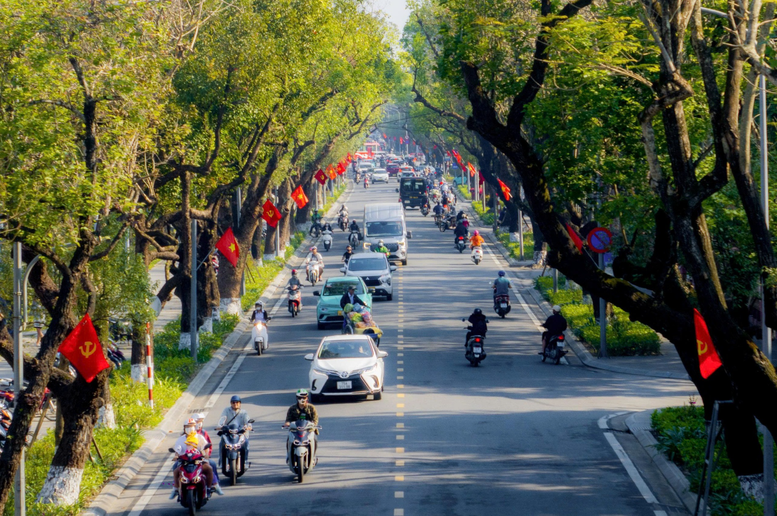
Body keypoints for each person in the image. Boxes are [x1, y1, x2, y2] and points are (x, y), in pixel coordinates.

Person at [169, 418, 222, 499]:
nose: (190, 428)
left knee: (209, 467)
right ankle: (176, 489)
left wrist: (206, 455)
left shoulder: (199, 437)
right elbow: (178, 450)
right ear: (184, 428)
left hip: (198, 461)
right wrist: (176, 456)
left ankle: (211, 487)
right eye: (188, 426)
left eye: (192, 426)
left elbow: (206, 447)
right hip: (184, 461)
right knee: (175, 469)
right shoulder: (181, 439)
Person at [283, 389, 319, 463]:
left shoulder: (311, 408)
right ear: (297, 398)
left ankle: (313, 456)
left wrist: (313, 425)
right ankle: (288, 455)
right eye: (300, 398)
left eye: (304, 397)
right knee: (289, 439)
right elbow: (288, 420)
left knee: (314, 439)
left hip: (308, 430)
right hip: (295, 430)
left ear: (307, 398)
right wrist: (287, 423)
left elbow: (315, 419)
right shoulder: (292, 408)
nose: (302, 399)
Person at [217, 395, 253, 462]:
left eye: (237, 402)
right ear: (231, 403)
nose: (235, 404)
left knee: (246, 443)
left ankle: (245, 461)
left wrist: (249, 426)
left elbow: (247, 420)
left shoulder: (243, 412)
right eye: (233, 402)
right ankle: (221, 461)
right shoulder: (226, 410)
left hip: (240, 433)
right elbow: (222, 418)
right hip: (229, 433)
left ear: (240, 403)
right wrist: (220, 426)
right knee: (221, 443)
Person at [193, 412, 219, 485]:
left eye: (201, 422)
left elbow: (208, 445)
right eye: (197, 422)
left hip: (201, 458)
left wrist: (206, 455)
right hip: (188, 459)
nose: (199, 424)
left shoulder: (204, 433)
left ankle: (214, 484)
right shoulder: (185, 434)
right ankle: (176, 486)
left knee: (212, 464)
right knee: (176, 466)